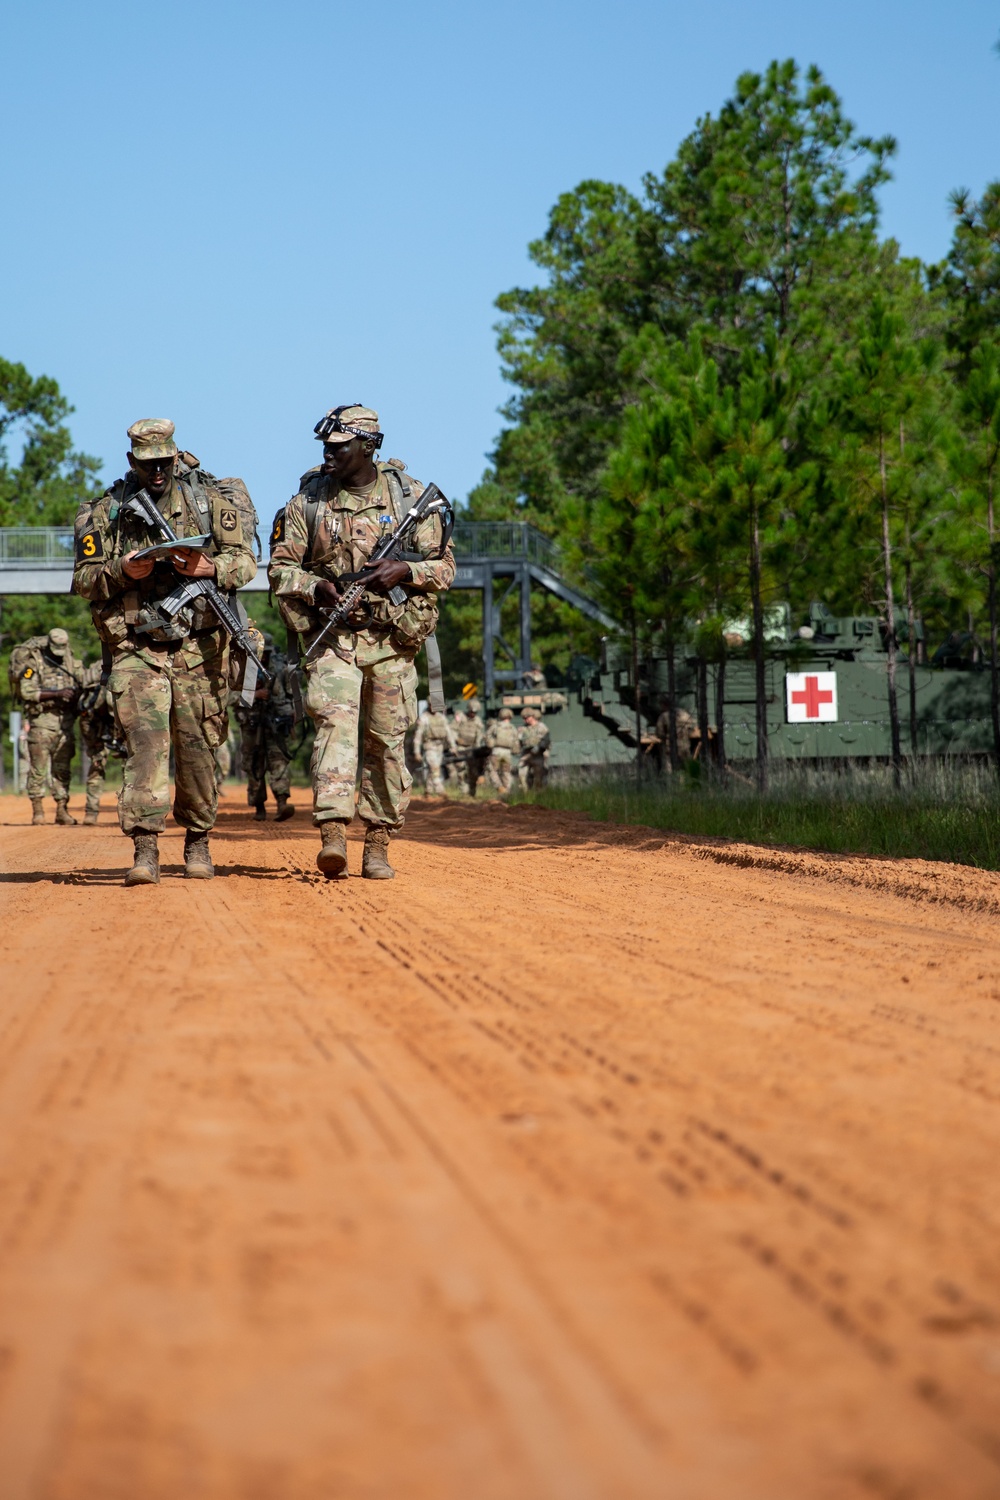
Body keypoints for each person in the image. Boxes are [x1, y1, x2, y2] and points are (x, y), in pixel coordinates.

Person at [268, 403, 455, 880]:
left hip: (392, 640)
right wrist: (317, 588)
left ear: (368, 446)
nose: (328, 455)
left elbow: (446, 569)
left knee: (387, 742)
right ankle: (333, 834)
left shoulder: (413, 500)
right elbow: (280, 568)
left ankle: (377, 841)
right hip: (334, 640)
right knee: (334, 727)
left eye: (339, 447)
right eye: (325, 448)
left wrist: (404, 570)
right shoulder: (308, 502)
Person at [72, 418, 258, 885]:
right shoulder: (104, 513)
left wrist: (212, 566)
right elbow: (83, 579)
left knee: (198, 748)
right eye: (147, 463)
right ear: (132, 461)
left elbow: (247, 563)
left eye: (164, 462)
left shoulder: (210, 503)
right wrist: (119, 571)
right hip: (136, 645)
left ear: (175, 457)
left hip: (200, 646)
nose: (157, 471)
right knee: (147, 747)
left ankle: (198, 840)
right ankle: (146, 848)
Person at [12, 627, 87, 824]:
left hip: (65, 724)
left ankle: (62, 810)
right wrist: (56, 693)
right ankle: (38, 811)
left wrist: (75, 696)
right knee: (38, 769)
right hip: (41, 724)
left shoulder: (72, 663)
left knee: (63, 769)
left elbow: (84, 686)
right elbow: (26, 691)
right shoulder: (32, 664)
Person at [233, 637, 297, 820]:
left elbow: (291, 694)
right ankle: (259, 807)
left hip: (274, 723)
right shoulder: (241, 670)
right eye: (259, 653)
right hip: (251, 725)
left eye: (266, 653)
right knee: (254, 764)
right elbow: (228, 696)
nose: (263, 657)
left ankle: (282, 803)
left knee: (279, 761)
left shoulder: (280, 669)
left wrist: (292, 712)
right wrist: (254, 695)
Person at [78, 658, 124, 824]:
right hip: (101, 721)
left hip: (97, 721)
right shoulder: (126, 663)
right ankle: (127, 814)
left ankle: (92, 812)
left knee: (97, 765)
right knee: (128, 767)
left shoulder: (96, 668)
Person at [413, 704, 456, 795]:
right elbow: (418, 735)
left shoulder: (441, 718)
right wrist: (416, 752)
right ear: (429, 705)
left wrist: (453, 746)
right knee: (434, 768)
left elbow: (448, 733)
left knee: (433, 769)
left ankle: (428, 790)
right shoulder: (424, 718)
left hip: (440, 747)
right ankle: (440, 790)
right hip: (429, 746)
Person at [485, 706, 521, 794]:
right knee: (506, 772)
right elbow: (516, 741)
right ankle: (507, 791)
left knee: (492, 770)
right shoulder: (512, 728)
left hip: (496, 752)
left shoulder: (495, 726)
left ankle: (499, 787)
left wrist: (491, 743)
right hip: (507, 753)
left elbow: (487, 736)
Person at [453, 701, 486, 797]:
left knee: (473, 771)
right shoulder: (461, 717)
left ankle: (472, 791)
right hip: (461, 747)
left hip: (472, 748)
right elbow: (452, 729)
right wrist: (456, 739)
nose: (472, 714)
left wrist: (478, 748)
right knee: (461, 769)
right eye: (471, 712)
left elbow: (480, 735)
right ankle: (463, 791)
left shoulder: (478, 721)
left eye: (475, 713)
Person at [654, 700, 697, 768]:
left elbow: (659, 733)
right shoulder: (684, 714)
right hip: (684, 745)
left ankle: (672, 778)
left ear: (664, 705)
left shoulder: (664, 716)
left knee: (669, 765)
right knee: (686, 766)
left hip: (671, 747)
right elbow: (692, 728)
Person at [518, 706, 551, 790]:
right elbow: (519, 741)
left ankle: (538, 796)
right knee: (522, 775)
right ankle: (525, 794)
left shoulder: (542, 727)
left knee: (539, 777)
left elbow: (545, 741)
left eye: (526, 718)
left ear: (532, 716)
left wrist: (538, 749)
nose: (525, 720)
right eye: (523, 718)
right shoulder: (523, 728)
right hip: (526, 754)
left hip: (538, 755)